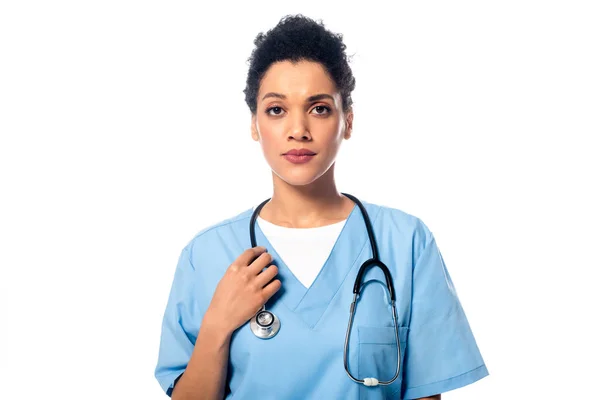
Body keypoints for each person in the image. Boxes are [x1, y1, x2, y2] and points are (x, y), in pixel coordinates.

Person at [154, 14, 488, 400]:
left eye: (319, 108)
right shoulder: (207, 255)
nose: (298, 129)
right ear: (254, 124)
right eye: (276, 110)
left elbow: (426, 394)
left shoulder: (406, 243)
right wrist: (217, 325)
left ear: (347, 121)